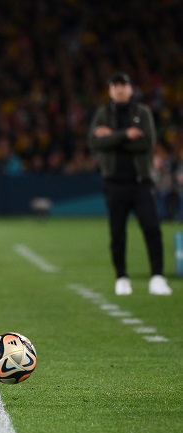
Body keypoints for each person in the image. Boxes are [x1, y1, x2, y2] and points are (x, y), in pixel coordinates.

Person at [88, 71, 172, 296]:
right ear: (110, 90)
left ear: (130, 88)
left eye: (123, 85)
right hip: (114, 183)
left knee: (152, 228)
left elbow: (146, 144)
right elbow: (95, 142)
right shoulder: (103, 112)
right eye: (115, 85)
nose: (119, 89)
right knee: (117, 232)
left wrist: (112, 137)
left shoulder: (142, 111)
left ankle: (157, 277)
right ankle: (122, 277)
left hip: (141, 182)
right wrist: (126, 134)